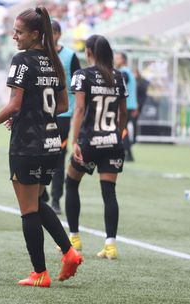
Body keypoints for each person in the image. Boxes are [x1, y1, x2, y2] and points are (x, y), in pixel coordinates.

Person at [0, 6, 83, 288]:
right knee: (37, 203)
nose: (14, 37)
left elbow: (14, 103)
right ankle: (69, 252)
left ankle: (40, 273)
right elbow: (63, 106)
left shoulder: (22, 60)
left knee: (28, 210)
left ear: (34, 34)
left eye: (18, 32)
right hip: (51, 142)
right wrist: (31, 114)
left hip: (27, 144)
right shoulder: (54, 60)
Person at [64, 35, 128, 259]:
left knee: (71, 183)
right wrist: (118, 134)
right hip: (112, 141)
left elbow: (79, 109)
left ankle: (74, 238)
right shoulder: (117, 77)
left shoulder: (82, 75)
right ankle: (110, 245)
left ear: (89, 52)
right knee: (109, 192)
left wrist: (75, 141)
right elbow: (123, 112)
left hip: (90, 141)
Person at [40, 20, 81, 215]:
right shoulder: (39, 54)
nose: (51, 36)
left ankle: (56, 199)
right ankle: (43, 191)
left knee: (58, 156)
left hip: (64, 113)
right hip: (42, 113)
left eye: (54, 33)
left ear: (59, 34)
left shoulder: (70, 56)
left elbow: (78, 84)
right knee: (40, 153)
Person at [115, 52, 136, 161]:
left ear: (123, 60)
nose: (115, 60)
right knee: (124, 129)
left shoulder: (124, 73)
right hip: (130, 104)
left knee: (123, 129)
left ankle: (128, 153)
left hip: (126, 105)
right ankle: (127, 152)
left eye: (117, 58)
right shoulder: (128, 72)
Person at [134, 69, 149, 143]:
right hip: (135, 106)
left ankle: (133, 139)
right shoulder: (136, 82)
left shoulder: (140, 83)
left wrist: (137, 107)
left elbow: (141, 96)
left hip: (136, 106)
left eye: (135, 73)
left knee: (134, 123)